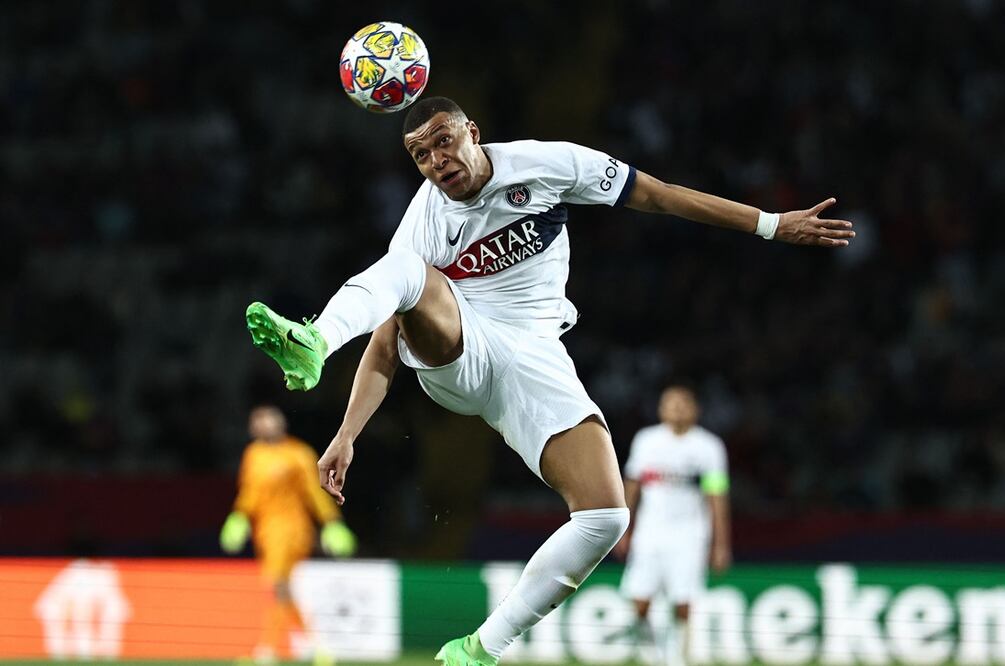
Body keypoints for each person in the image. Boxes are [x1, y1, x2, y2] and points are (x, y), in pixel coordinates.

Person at [243, 96, 853, 666]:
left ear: (472, 132)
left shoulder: (549, 164)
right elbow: (386, 339)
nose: (436, 162)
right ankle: (314, 342)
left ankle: (481, 647)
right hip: (463, 347)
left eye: (444, 142)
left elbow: (660, 195)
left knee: (606, 518)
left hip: (534, 357)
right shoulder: (423, 219)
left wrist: (772, 225)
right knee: (403, 268)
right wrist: (348, 432)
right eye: (420, 155)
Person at [220, 405, 357, 665]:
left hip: (292, 531)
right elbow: (249, 492)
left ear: (281, 424)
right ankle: (317, 648)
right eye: (258, 420)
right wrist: (238, 517)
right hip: (266, 534)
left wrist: (331, 522)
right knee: (283, 591)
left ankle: (267, 652)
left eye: (268, 419)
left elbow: (314, 493)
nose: (263, 425)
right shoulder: (253, 455)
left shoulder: (298, 453)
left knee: (280, 588)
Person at [613, 385, 731, 666]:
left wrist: (721, 544)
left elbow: (717, 497)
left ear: (695, 410)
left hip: (689, 535)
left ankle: (677, 660)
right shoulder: (646, 441)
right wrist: (623, 530)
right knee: (639, 602)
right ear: (661, 409)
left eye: (683, 403)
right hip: (650, 533)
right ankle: (654, 656)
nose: (677, 408)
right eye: (670, 403)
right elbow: (632, 486)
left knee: (684, 602)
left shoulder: (709, 447)